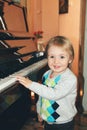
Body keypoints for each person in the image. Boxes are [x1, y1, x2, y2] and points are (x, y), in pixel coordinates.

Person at [16, 36, 77, 130]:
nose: (56, 61)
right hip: (49, 120)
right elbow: (42, 95)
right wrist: (40, 111)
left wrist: (31, 84)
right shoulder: (46, 74)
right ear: (47, 57)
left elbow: (54, 94)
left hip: (63, 122)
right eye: (52, 56)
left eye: (62, 57)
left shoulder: (70, 79)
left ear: (70, 59)